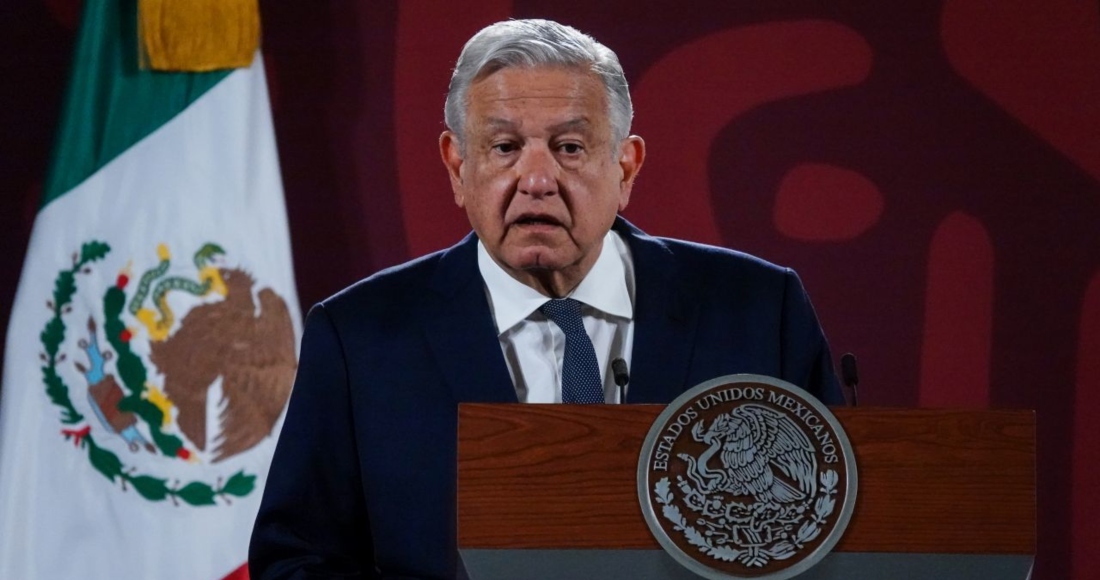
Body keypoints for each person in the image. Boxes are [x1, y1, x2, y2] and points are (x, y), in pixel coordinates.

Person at [250, 18, 843, 580]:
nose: (537, 180)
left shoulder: (761, 312)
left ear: (626, 166)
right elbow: (296, 561)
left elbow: (845, 533)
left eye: (570, 148)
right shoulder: (361, 339)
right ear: (457, 167)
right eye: (505, 147)